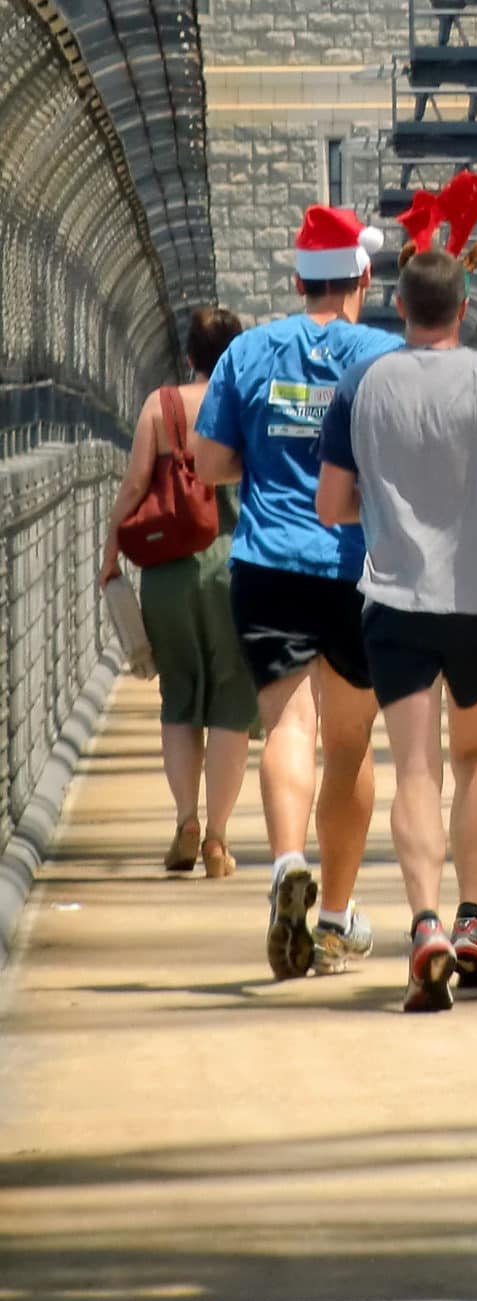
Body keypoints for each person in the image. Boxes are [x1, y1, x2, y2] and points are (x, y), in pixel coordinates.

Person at [316, 246, 477, 1013]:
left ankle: (423, 925)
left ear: (399, 304)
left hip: (397, 595)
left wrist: (383, 515)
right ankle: (473, 920)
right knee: (474, 756)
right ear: (464, 302)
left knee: (415, 766)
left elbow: (330, 503)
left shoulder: (363, 381)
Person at [193, 206, 400, 979]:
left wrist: (268, 464)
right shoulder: (383, 356)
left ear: (296, 278)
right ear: (363, 277)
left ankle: (285, 865)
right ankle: (339, 917)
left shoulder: (247, 352)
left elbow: (209, 463)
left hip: (267, 559)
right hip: (357, 565)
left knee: (285, 721)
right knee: (350, 740)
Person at [100, 307, 257, 879]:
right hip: (234, 566)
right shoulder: (243, 398)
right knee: (232, 704)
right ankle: (218, 838)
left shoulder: (160, 407)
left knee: (179, 697)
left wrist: (109, 551)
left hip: (168, 572)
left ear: (188, 355)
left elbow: (137, 483)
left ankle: (185, 820)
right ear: (233, 352)